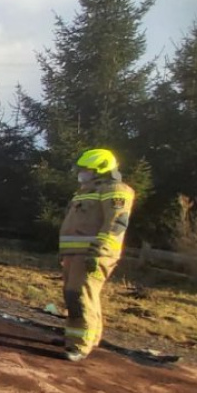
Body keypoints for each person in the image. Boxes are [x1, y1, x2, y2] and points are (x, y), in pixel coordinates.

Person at [58, 148, 134, 362]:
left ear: (100, 169)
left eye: (86, 169)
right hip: (75, 253)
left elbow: (116, 223)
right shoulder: (85, 190)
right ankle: (81, 338)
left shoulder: (116, 190)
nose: (81, 173)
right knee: (75, 295)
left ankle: (79, 345)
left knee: (79, 296)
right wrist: (65, 251)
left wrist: (100, 251)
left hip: (93, 253)